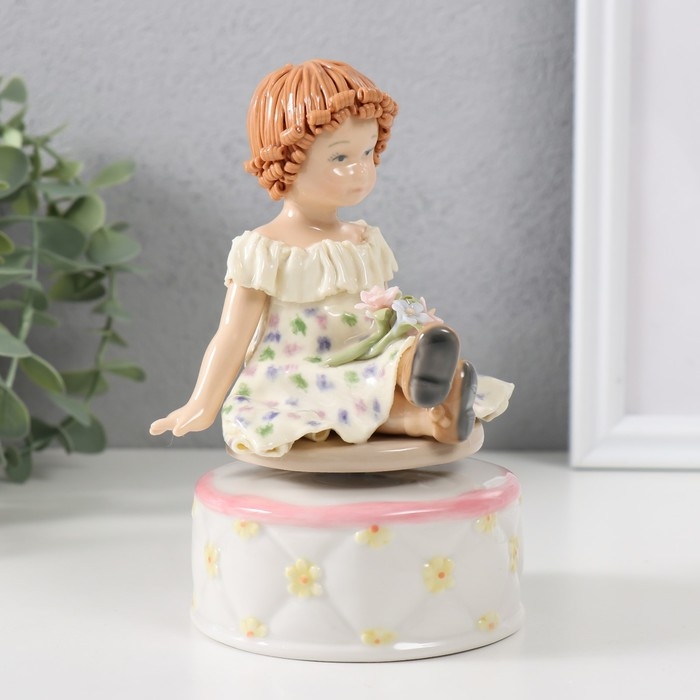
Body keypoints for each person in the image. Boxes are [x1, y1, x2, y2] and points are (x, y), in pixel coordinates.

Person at [150, 59, 512, 458]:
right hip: (301, 367)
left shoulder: (362, 239)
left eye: (368, 152)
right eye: (340, 159)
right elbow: (232, 334)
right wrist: (202, 403)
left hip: (364, 353)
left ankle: (420, 369)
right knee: (336, 398)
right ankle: (432, 416)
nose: (361, 171)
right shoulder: (264, 249)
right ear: (285, 158)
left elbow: (377, 308)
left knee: (384, 367)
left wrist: (408, 326)